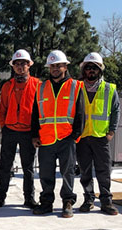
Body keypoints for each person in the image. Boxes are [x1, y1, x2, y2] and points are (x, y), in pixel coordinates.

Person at [31, 50, 85, 218]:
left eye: (58, 65)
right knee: (45, 173)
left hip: (66, 138)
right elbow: (35, 113)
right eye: (52, 66)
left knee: (67, 172)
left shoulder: (76, 86)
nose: (55, 68)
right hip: (46, 139)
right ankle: (46, 202)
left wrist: (75, 136)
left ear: (65, 66)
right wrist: (35, 135)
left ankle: (67, 202)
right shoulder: (41, 87)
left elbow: (81, 114)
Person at [0, 49, 40, 208]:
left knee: (28, 168)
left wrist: (36, 132)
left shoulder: (37, 85)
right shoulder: (7, 86)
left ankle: (29, 198)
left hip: (28, 132)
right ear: (13, 67)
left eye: (24, 64)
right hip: (10, 131)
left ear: (29, 66)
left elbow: (40, 110)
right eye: (17, 64)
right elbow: (2, 108)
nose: (20, 67)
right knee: (5, 166)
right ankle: (1, 197)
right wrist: (4, 126)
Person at [77, 52, 120, 215]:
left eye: (94, 68)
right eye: (87, 68)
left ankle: (106, 201)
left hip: (101, 137)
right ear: (83, 70)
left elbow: (116, 111)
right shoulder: (78, 87)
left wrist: (111, 131)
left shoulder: (109, 89)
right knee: (85, 171)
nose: (90, 71)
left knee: (103, 170)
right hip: (82, 137)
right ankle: (88, 200)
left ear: (100, 69)